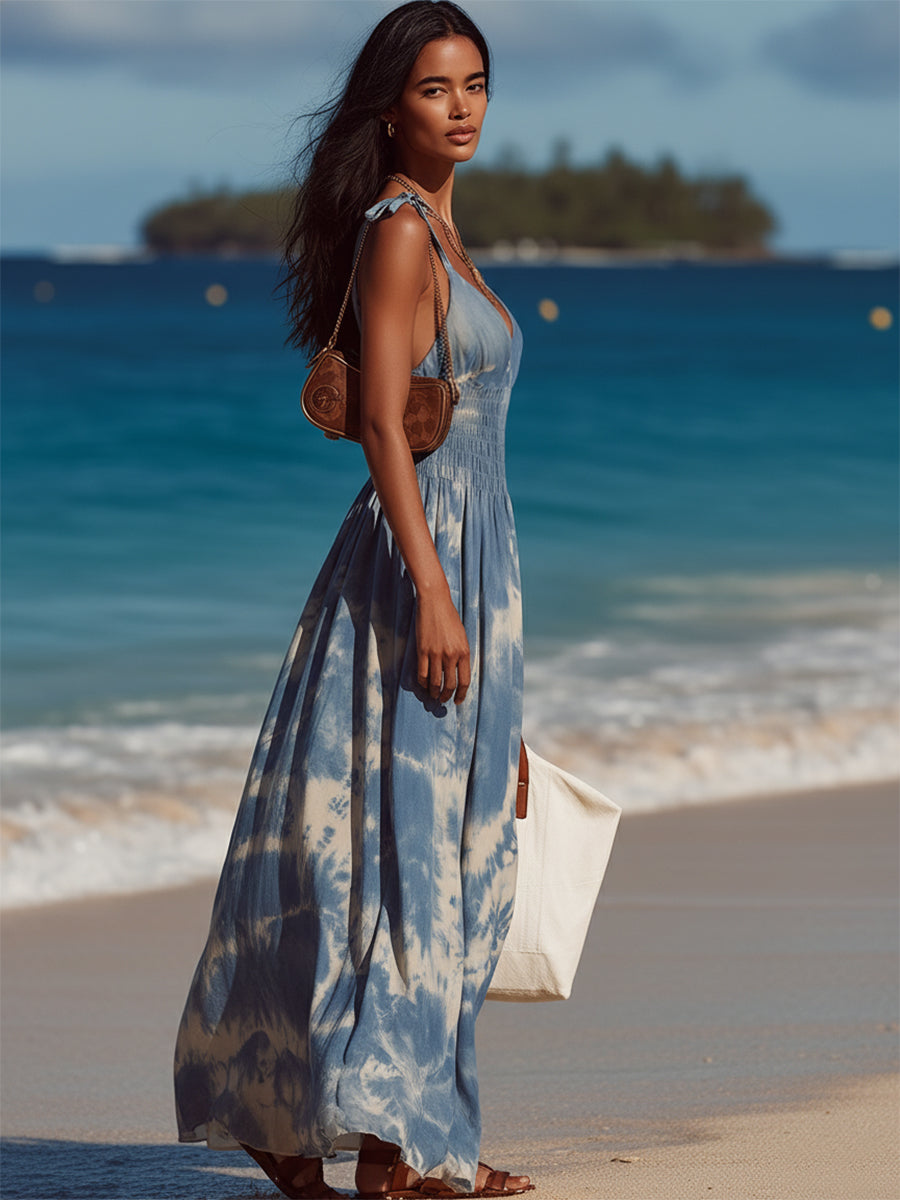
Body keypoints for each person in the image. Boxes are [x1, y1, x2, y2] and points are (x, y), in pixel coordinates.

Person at [174, 3, 533, 1197]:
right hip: (418, 562)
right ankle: (387, 1148)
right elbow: (381, 420)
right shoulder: (399, 233)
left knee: (447, 853)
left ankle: (401, 1139)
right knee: (402, 858)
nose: (464, 106)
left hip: (478, 567)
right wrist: (432, 594)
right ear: (392, 109)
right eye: (438, 89)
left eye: (476, 83)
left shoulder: (447, 231)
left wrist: (499, 678)